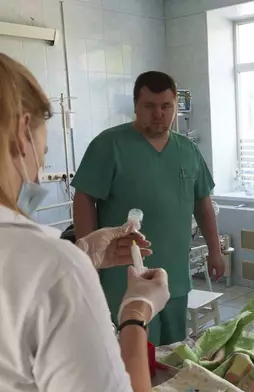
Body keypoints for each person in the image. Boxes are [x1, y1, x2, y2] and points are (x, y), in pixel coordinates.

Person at [0, 53, 170, 391]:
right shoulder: (51, 268)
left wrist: (83, 252)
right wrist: (136, 313)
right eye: (44, 154)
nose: (38, 173)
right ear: (22, 134)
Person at [72, 71, 225, 346]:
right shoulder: (109, 145)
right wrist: (88, 259)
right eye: (149, 106)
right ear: (135, 106)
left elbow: (202, 201)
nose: (158, 114)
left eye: (166, 106)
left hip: (174, 277)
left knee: (173, 352)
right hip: (124, 278)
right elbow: (84, 198)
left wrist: (215, 249)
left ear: (175, 106)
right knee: (131, 356)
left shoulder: (187, 150)